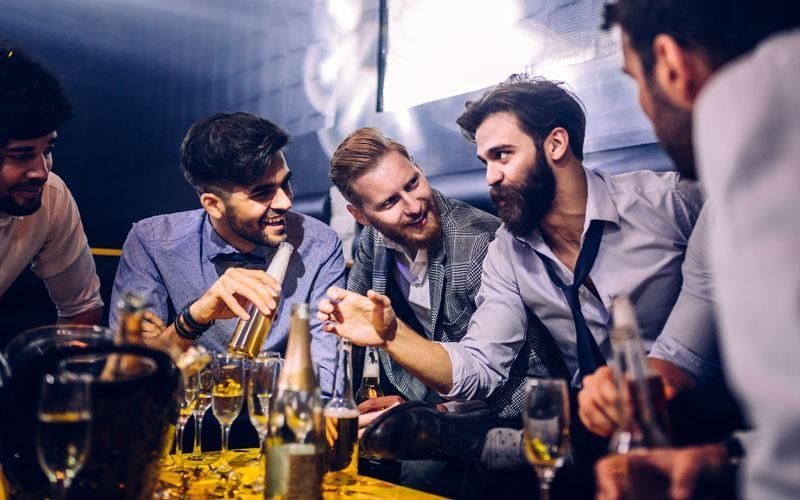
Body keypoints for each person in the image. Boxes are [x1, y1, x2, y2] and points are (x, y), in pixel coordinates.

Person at [321, 76, 703, 419]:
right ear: (361, 216)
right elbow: (481, 364)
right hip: (593, 433)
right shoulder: (510, 251)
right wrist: (391, 336)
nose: (490, 176)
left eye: (502, 155)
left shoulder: (672, 203)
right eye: (484, 161)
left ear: (555, 144)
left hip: (705, 416)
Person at [595, 1, 800, 498]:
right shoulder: (716, 213)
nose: (643, 103)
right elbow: (680, 358)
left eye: (633, 79)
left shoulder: (754, 112)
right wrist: (722, 460)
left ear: (669, 65)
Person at [110, 112, 345, 393]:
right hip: (187, 425)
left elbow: (327, 381)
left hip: (281, 423)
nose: (284, 202)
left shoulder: (319, 244)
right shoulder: (153, 243)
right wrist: (193, 318)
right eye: (262, 193)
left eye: (286, 183)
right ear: (213, 204)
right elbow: (131, 379)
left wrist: (198, 367)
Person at [324, 127, 507, 413]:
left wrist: (428, 416)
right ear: (360, 216)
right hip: (432, 398)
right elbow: (349, 332)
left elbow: (494, 375)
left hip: (505, 412)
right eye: (390, 202)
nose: (413, 206)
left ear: (419, 169)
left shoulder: (479, 244)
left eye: (412, 184)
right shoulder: (375, 240)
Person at [0, 44, 103, 326]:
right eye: (21, 156)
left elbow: (82, 308)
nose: (41, 172)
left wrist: (70, 369)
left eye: (47, 150)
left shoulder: (51, 197)